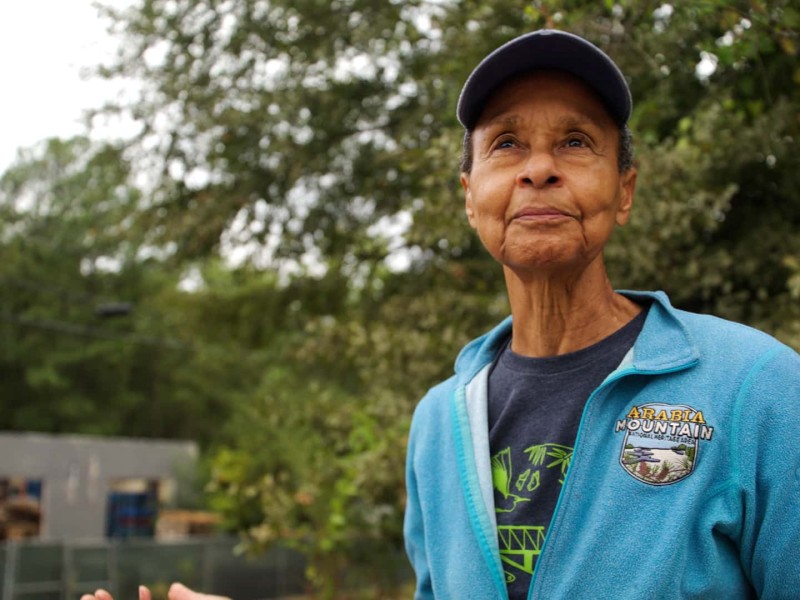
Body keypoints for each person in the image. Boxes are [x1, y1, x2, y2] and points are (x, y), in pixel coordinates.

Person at [403, 29, 800, 600]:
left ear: (624, 191)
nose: (539, 169)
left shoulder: (757, 388)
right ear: (470, 196)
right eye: (507, 143)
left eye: (576, 141)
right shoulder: (436, 422)